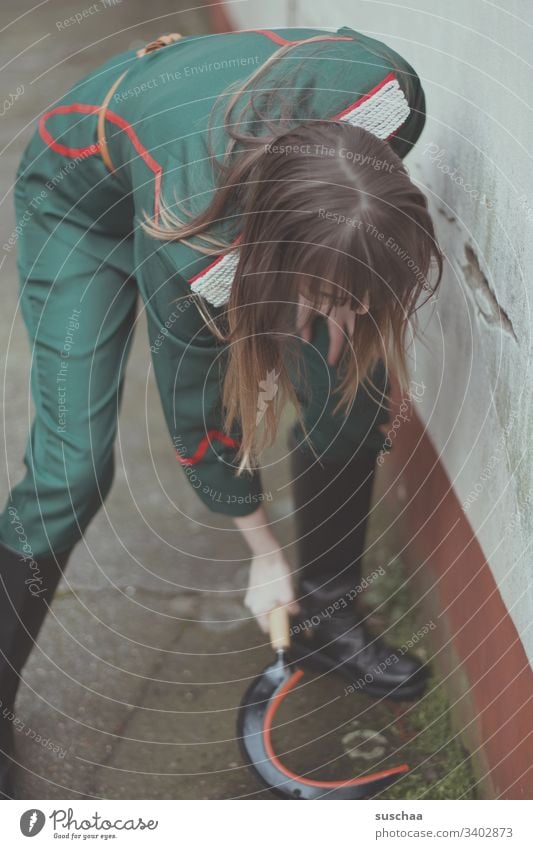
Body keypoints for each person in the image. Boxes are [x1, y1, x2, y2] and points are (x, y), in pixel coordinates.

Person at [0, 24, 442, 797]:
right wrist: (263, 554)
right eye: (318, 292)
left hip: (231, 186)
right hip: (82, 201)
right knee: (73, 468)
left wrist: (337, 302)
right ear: (265, 256)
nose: (334, 313)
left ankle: (328, 620)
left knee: (352, 377)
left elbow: (352, 227)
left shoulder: (392, 97)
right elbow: (199, 422)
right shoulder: (198, 247)